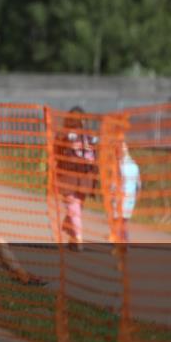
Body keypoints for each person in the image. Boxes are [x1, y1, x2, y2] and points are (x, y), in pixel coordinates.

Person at [56, 106, 97, 251]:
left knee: (73, 208)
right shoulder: (90, 136)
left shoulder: (64, 134)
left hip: (68, 175)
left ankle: (78, 237)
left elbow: (56, 152)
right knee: (76, 207)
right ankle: (73, 238)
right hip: (87, 176)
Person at [111, 138, 140, 246]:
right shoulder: (134, 165)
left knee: (117, 221)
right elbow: (138, 185)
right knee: (124, 222)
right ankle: (124, 241)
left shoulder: (118, 166)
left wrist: (111, 194)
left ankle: (121, 242)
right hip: (130, 198)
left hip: (119, 198)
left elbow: (115, 183)